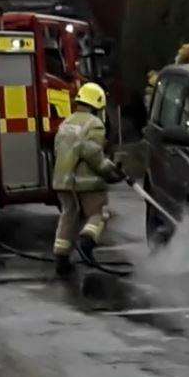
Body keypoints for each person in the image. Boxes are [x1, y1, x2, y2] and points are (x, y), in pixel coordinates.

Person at [50, 82, 123, 276]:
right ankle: (86, 243)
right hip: (86, 182)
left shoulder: (66, 123)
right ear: (96, 105)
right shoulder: (94, 124)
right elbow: (94, 155)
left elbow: (59, 150)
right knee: (99, 213)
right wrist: (112, 171)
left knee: (68, 216)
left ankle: (61, 258)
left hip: (62, 181)